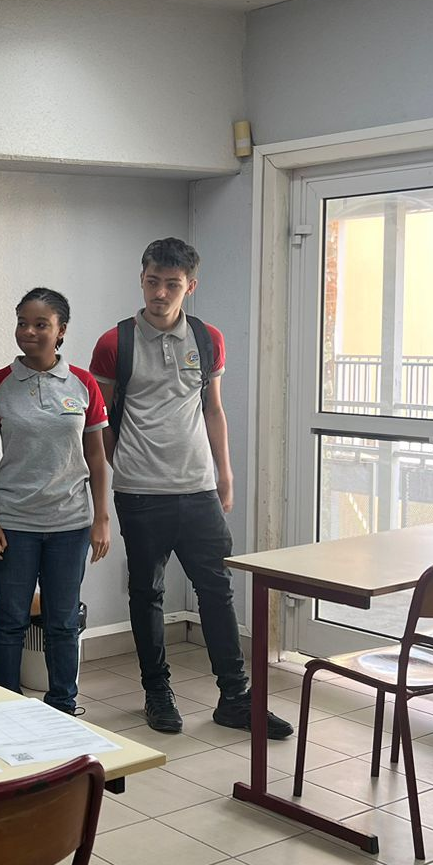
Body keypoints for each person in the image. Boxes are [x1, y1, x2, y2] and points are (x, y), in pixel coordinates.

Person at [89, 237, 293, 738]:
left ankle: (236, 698)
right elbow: (101, 421)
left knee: (217, 591)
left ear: (190, 286)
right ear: (141, 279)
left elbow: (213, 409)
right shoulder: (115, 343)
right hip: (140, 493)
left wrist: (225, 473)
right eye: (152, 282)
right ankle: (157, 693)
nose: (160, 293)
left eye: (172, 284)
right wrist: (123, 465)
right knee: (147, 593)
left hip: (199, 488)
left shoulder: (207, 338)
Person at [0, 289, 110, 714]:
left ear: (61, 330)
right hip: (14, 523)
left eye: (40, 325)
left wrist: (101, 518)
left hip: (70, 524)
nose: (28, 332)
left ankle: (63, 705)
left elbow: (96, 456)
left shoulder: (83, 383)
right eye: (22, 323)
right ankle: (3, 706)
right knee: (10, 620)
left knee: (63, 622)